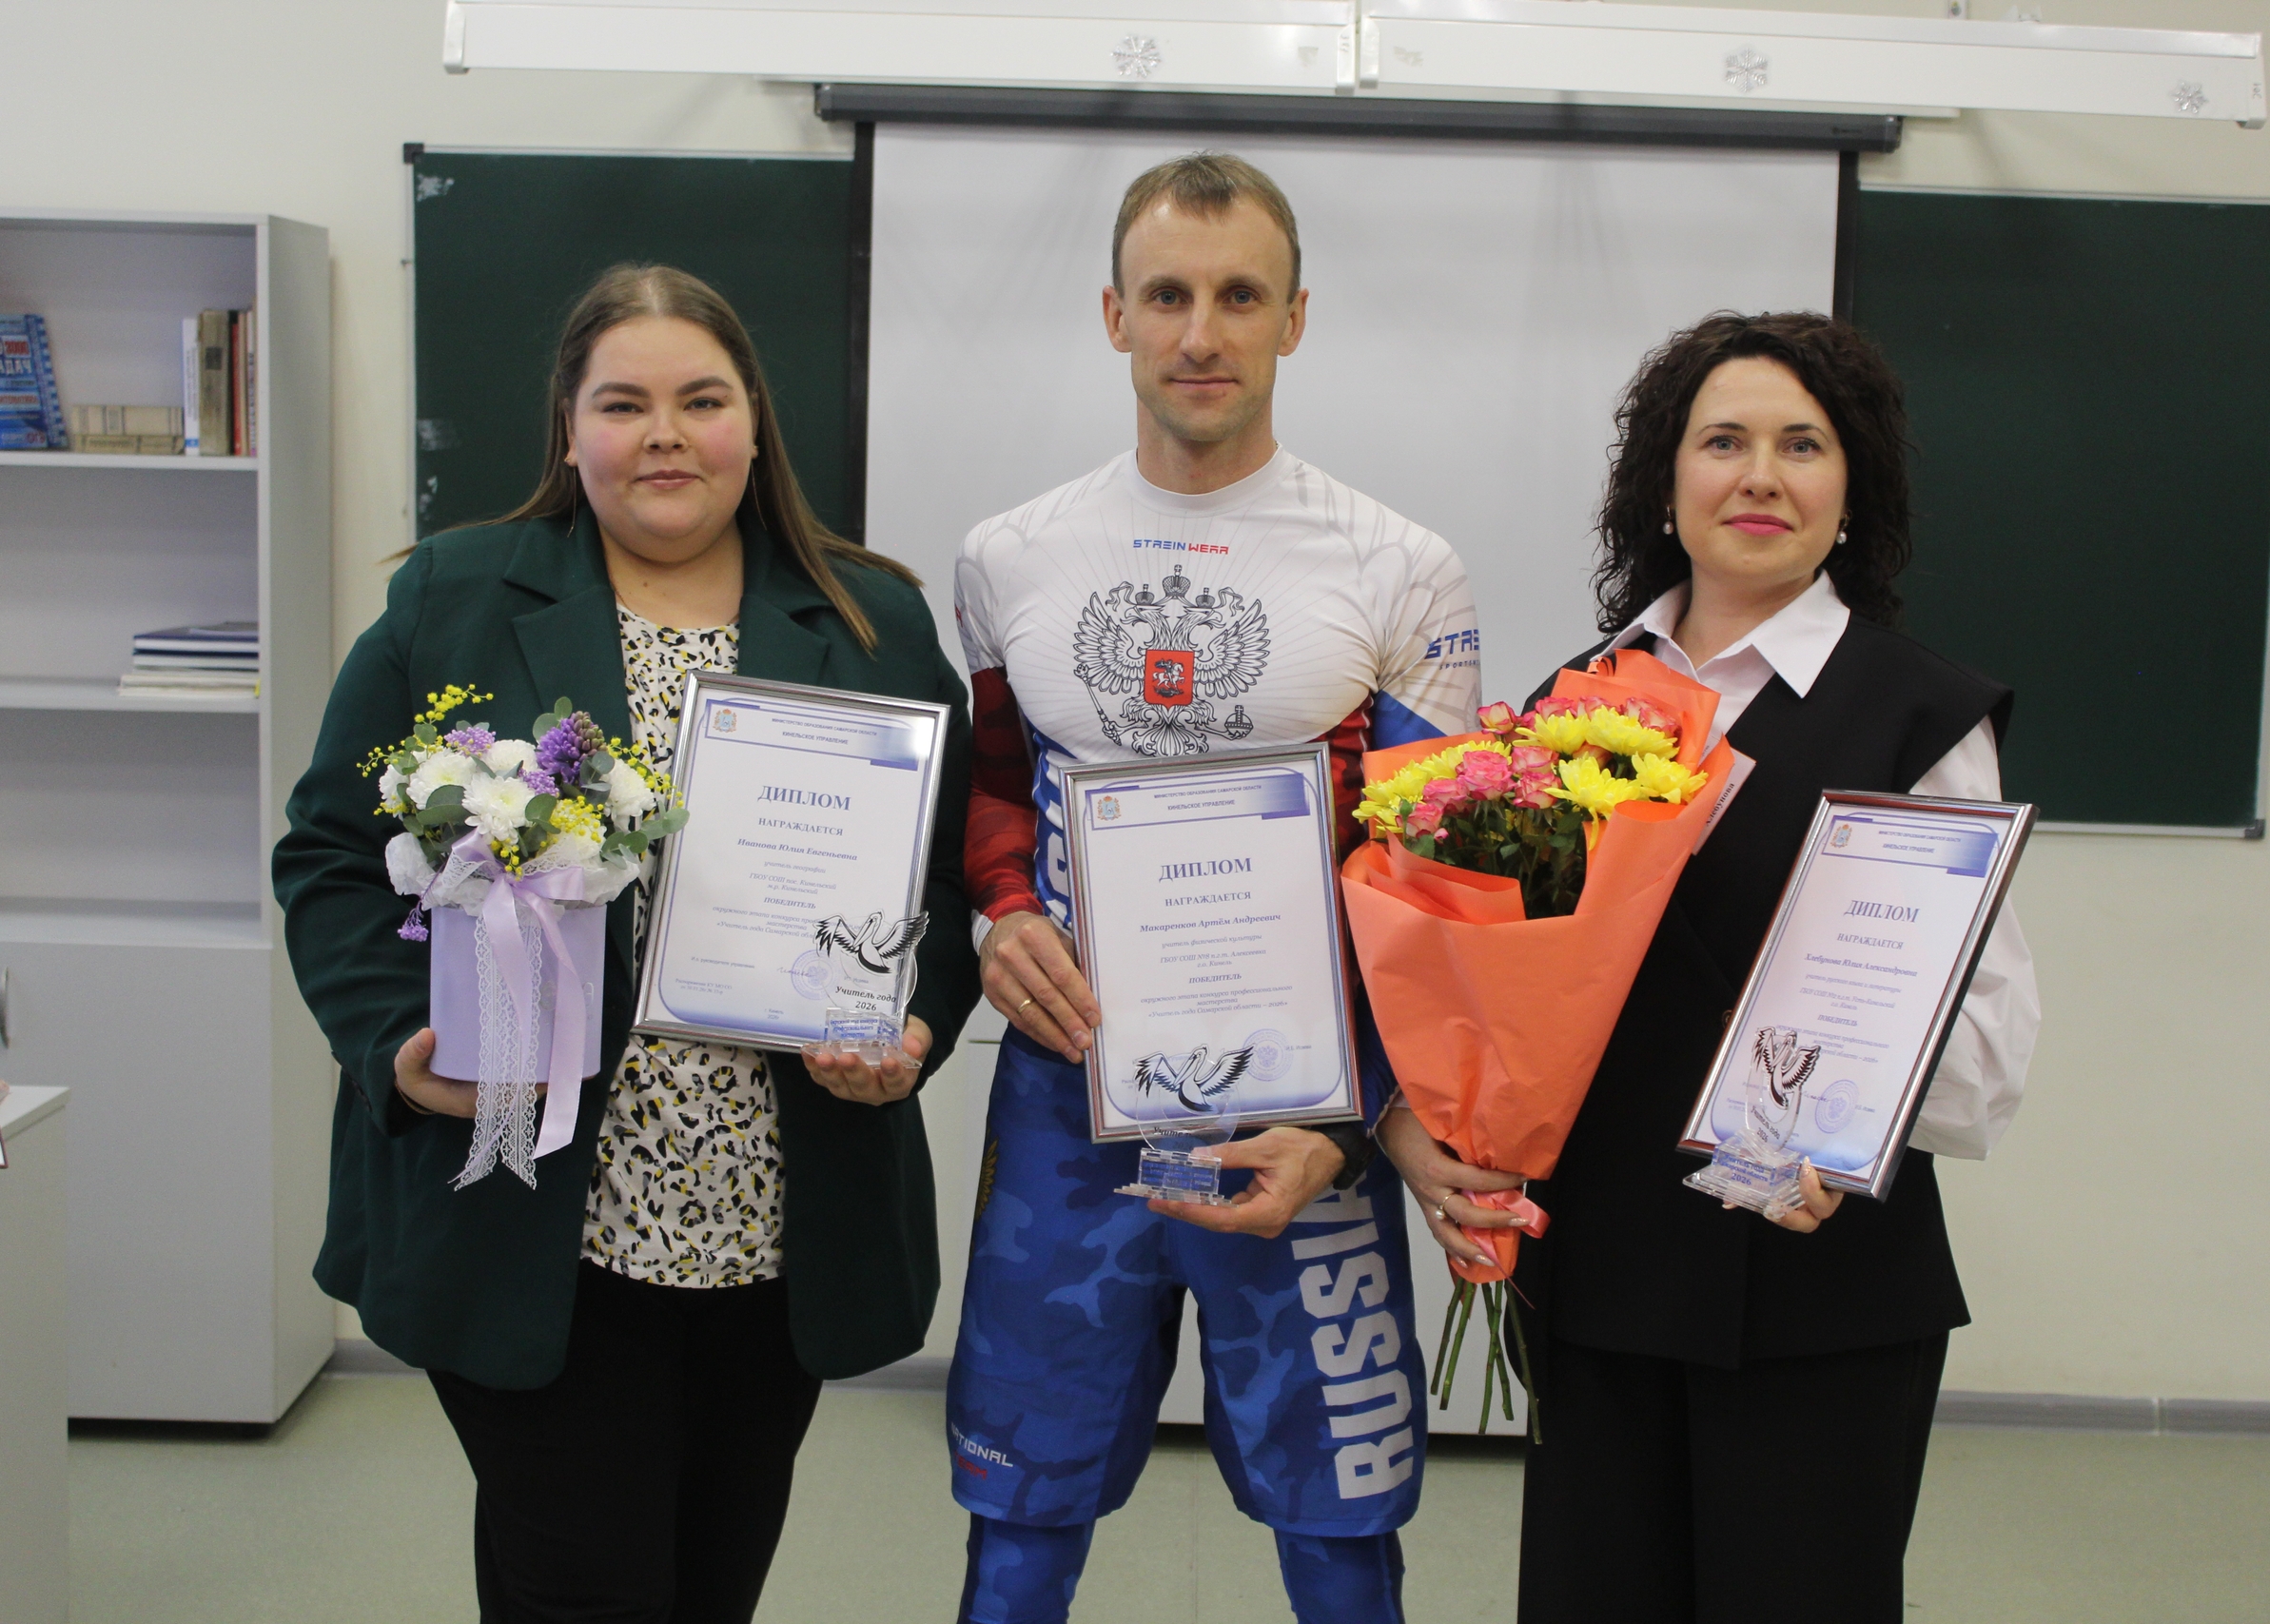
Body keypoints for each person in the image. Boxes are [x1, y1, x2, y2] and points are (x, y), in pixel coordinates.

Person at [272, 264, 981, 1624]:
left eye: (702, 401)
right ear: (569, 427)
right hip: (531, 1218)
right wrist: (399, 1045)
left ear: (755, 423)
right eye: (623, 404)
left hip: (776, 1234)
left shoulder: (869, 622)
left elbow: (940, 889)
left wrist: (915, 1025)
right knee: (585, 1587)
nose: (665, 435)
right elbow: (329, 857)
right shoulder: (457, 597)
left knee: (708, 1585)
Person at [1378, 312, 2040, 1623]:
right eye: (1723, 441)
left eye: (1804, 445)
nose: (1761, 476)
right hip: (1601, 1272)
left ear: (1852, 488)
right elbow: (1497, 971)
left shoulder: (1920, 713)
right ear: (1665, 480)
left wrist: (1847, 1126)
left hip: (1817, 1287)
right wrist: (1448, 1124)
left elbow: (1985, 1048)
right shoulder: (1573, 699)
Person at [945, 153, 1480, 1624]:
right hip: (1067, 1104)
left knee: (1339, 1528)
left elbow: (1430, 886)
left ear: (1294, 319)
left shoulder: (1401, 568)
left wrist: (1351, 1121)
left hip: (1300, 1117)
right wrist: (1003, 909)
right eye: (1168, 295)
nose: (1201, 333)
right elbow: (995, 786)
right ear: (1113, 314)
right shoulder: (1007, 556)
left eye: (1240, 297)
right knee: (1019, 1513)